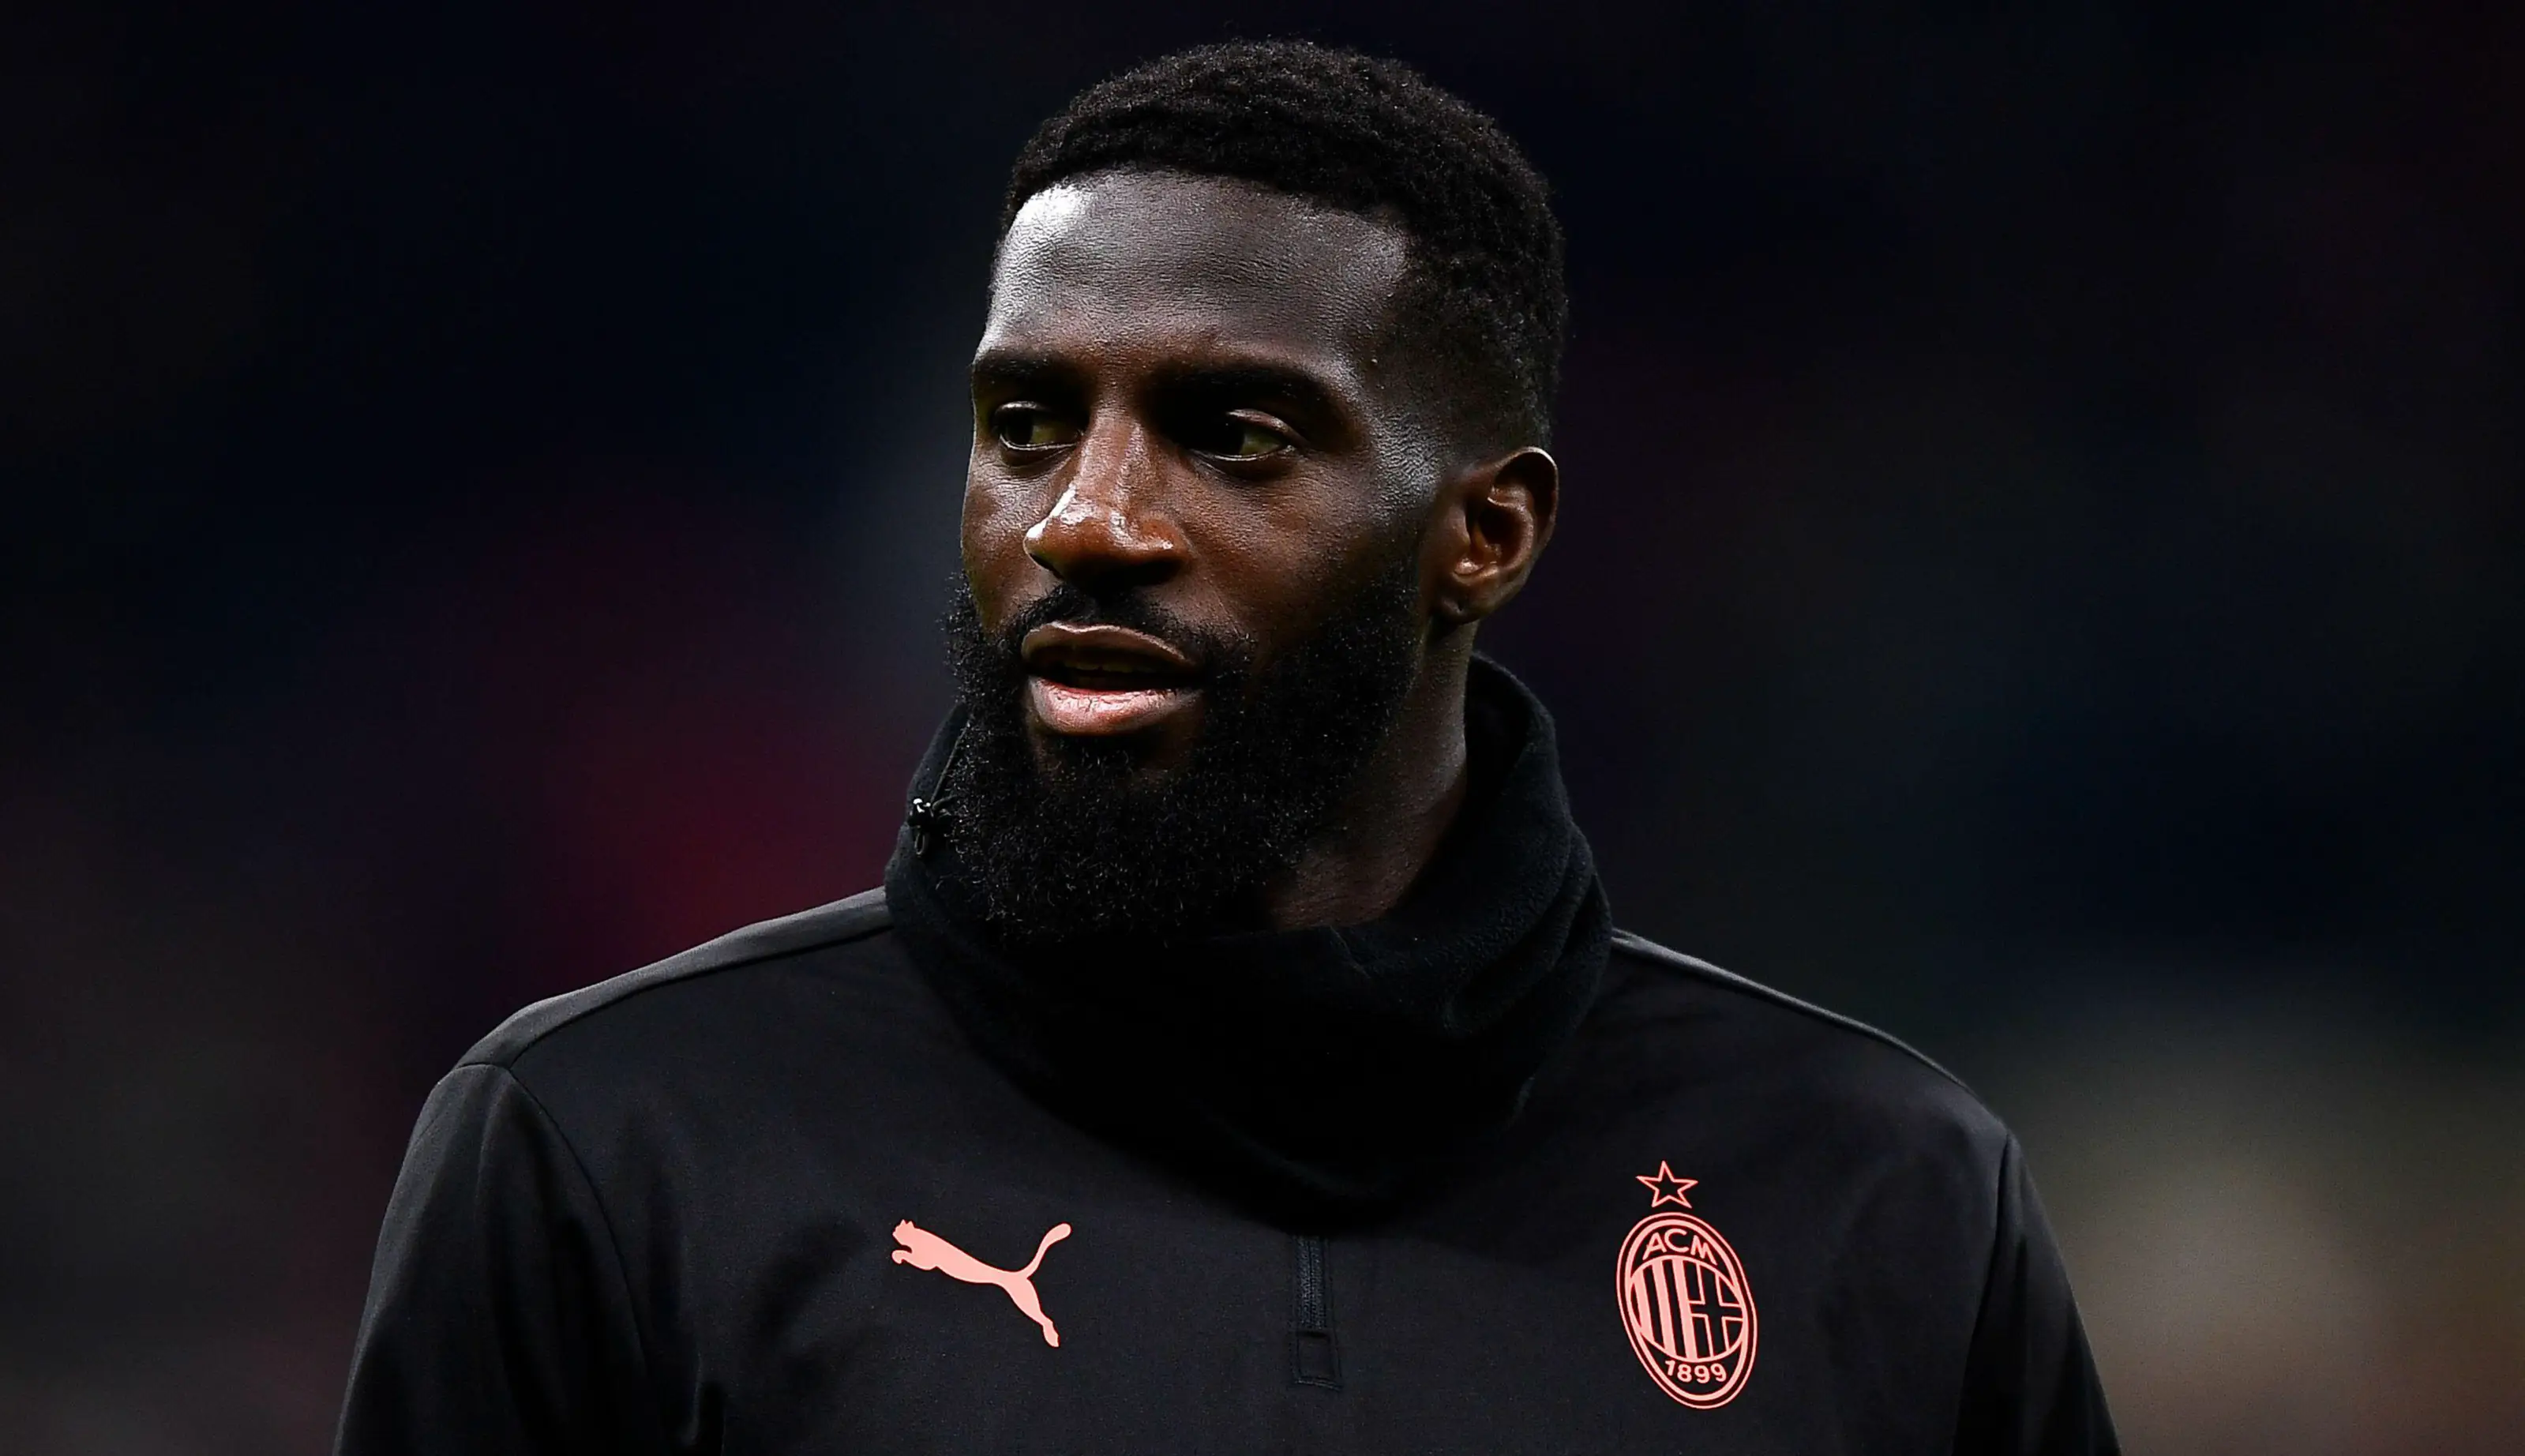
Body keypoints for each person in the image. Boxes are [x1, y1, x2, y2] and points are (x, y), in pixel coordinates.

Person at [336, 40, 2116, 1455]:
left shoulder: (1875, 1194)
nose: (1087, 520)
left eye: (1235, 433)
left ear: (1482, 534)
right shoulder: (610, 1147)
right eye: (1027, 423)